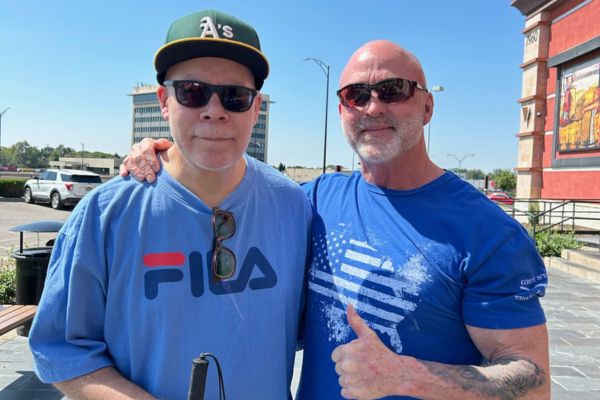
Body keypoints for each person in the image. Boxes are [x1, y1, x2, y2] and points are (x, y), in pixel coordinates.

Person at [123, 40, 550, 400]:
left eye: (393, 89)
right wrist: (169, 154)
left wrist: (408, 376)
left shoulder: (489, 232)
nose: (373, 107)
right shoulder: (312, 200)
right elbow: (228, 184)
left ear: (427, 106)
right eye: (356, 95)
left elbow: (533, 381)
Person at [28, 9, 311, 400]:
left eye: (235, 96)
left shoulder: (295, 207)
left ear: (256, 108)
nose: (214, 110)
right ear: (164, 100)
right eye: (192, 92)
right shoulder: (104, 214)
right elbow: (63, 353)